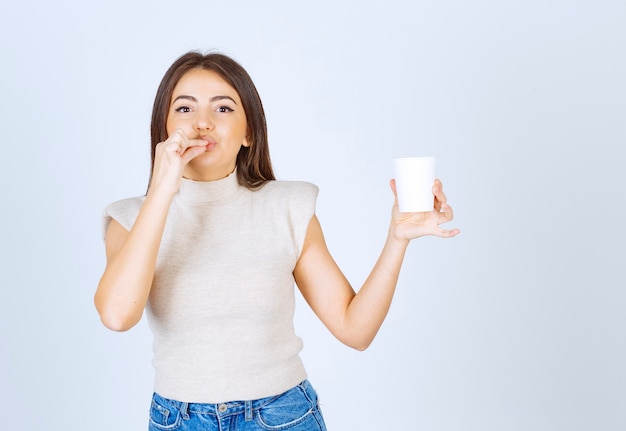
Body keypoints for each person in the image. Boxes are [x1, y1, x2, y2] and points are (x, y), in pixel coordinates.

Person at [95, 51, 460, 431]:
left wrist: (397, 238)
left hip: (282, 417)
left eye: (222, 109)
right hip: (179, 420)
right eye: (185, 109)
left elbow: (356, 330)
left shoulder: (287, 206)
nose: (202, 123)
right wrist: (161, 192)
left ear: (249, 132)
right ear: (164, 129)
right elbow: (118, 316)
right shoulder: (129, 218)